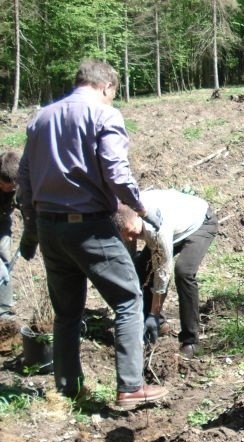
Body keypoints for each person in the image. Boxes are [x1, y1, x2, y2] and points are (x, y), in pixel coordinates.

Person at [16, 58, 166, 409]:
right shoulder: (103, 114)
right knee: (128, 299)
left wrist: (32, 224)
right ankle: (130, 386)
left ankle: (68, 389)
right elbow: (115, 169)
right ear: (106, 87)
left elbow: (24, 177)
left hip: (49, 225)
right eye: (114, 94)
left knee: (67, 312)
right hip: (89, 225)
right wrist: (138, 207)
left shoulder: (40, 118)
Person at [114, 189, 219, 359]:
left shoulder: (155, 227)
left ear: (138, 217)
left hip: (199, 222)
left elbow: (163, 273)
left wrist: (154, 313)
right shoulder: (124, 217)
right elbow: (129, 256)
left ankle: (190, 340)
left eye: (134, 234)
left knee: (184, 272)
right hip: (174, 223)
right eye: (127, 236)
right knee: (142, 268)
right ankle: (157, 326)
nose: (132, 239)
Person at [0, 151, 20, 318]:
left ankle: (3, 305)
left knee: (5, 258)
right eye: (3, 186)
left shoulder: (21, 182)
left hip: (3, 221)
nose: (7, 190)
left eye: (11, 187)